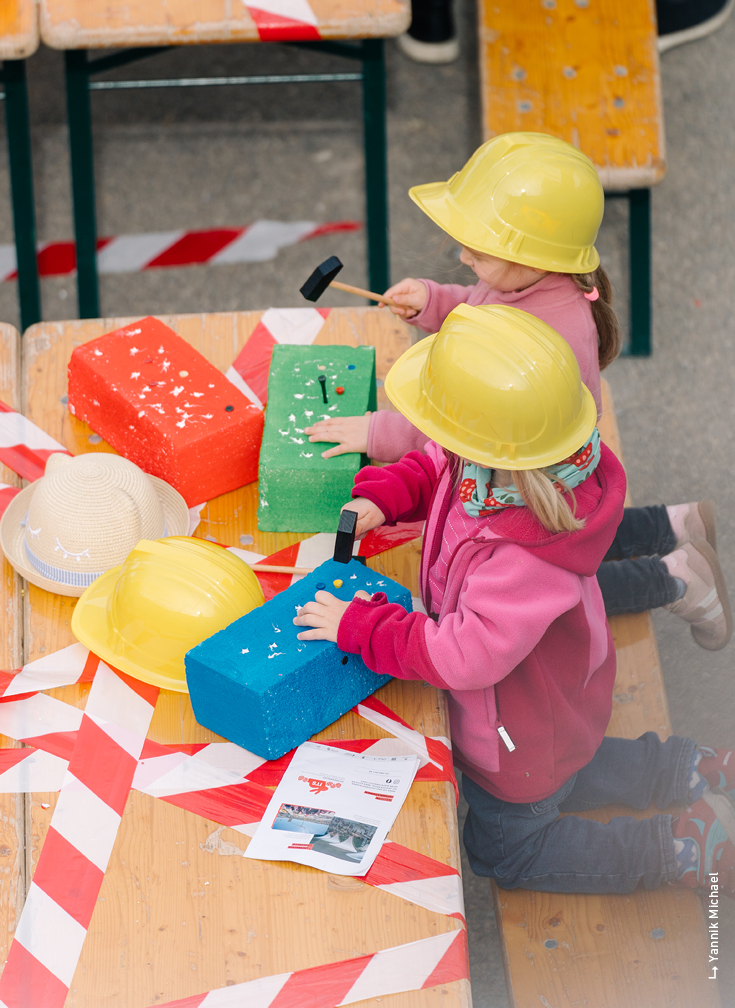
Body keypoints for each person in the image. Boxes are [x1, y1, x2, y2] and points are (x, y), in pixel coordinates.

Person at [294, 304, 735, 897]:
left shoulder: (523, 560)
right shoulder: (508, 466)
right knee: (571, 768)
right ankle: (693, 767)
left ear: (492, 452)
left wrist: (364, 628)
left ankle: (677, 848)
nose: (440, 443)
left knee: (506, 848)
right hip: (543, 714)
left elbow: (461, 658)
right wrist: (387, 494)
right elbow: (435, 466)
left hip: (516, 734)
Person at [304, 132, 731, 650]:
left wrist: (381, 430)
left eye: (478, 249)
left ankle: (677, 580)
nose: (462, 257)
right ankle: (675, 524)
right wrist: (435, 303)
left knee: (555, 590)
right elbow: (480, 307)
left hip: (528, 475)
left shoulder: (549, 332)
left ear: (532, 256)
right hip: (541, 467)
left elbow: (462, 427)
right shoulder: (530, 281)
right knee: (564, 551)